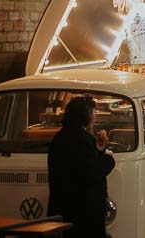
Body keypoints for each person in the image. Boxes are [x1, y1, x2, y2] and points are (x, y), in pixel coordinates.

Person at [47, 95, 115, 238]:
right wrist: (108, 159)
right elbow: (91, 171)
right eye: (93, 113)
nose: (95, 117)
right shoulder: (81, 139)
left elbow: (79, 164)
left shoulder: (61, 136)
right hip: (83, 211)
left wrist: (99, 150)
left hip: (63, 207)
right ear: (86, 115)